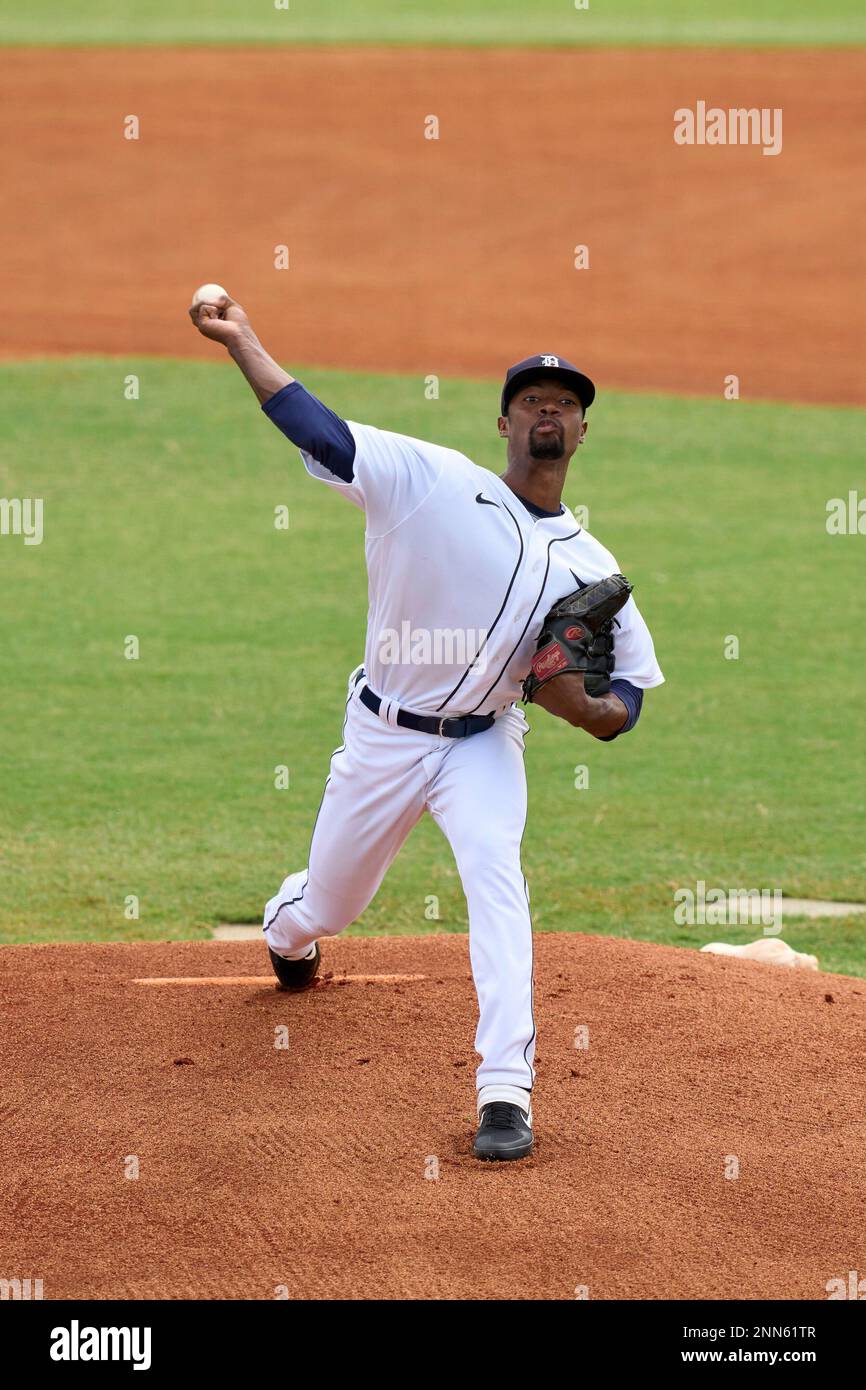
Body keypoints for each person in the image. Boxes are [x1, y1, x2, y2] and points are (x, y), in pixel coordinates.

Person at [189, 291, 664, 1160]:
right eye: (532, 401)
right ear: (504, 423)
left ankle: (504, 1092)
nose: (548, 412)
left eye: (565, 404)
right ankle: (286, 928)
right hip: (383, 737)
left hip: (484, 744)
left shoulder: (593, 564)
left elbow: (631, 687)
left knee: (497, 878)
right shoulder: (432, 481)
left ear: (583, 431)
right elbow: (319, 429)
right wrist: (243, 341)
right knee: (333, 902)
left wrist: (598, 713)